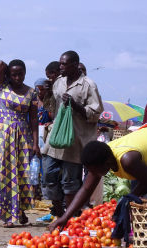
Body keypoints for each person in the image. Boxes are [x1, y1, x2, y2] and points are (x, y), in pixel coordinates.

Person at [48, 123, 147, 231]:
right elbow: (86, 189)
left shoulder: (127, 160)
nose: (92, 174)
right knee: (138, 201)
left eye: (94, 170)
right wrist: (65, 217)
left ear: (106, 163)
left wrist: (127, 199)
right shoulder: (103, 158)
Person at [41, 51, 103, 220]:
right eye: (60, 63)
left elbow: (96, 113)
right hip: (55, 139)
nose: (60, 66)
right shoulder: (58, 83)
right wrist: (45, 95)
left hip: (75, 142)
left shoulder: (89, 85)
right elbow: (52, 108)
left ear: (75, 64)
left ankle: (68, 218)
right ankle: (59, 212)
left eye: (64, 64)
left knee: (70, 182)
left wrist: (76, 106)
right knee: (48, 175)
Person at [0, 59, 39, 228]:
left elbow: (34, 119)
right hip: (2, 136)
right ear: (9, 74)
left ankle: (19, 211)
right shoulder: (2, 86)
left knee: (20, 173)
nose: (17, 77)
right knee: (3, 173)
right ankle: (7, 214)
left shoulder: (31, 93)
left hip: (22, 136)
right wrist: (5, 73)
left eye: (20, 73)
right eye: (14, 74)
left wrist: (35, 143)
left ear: (25, 73)